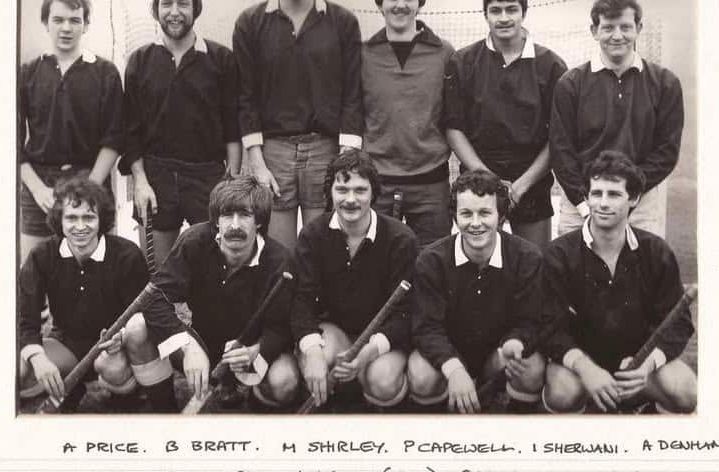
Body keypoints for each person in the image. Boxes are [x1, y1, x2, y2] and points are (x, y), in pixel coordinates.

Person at [118, 175, 298, 412]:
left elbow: (282, 327)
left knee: (284, 381)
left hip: (249, 353)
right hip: (200, 347)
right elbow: (154, 298)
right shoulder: (195, 241)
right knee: (136, 328)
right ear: (216, 220)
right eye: (227, 215)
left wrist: (257, 350)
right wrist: (187, 346)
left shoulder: (279, 261)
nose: (235, 225)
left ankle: (253, 407)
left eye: (245, 215)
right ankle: (165, 411)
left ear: (259, 221)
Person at [233, 0, 363, 252]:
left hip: (326, 150)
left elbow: (353, 93)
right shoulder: (250, 23)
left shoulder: (343, 22)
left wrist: (345, 157)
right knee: (280, 255)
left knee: (325, 251)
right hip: (273, 152)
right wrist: (257, 163)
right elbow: (245, 96)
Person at [542, 150, 696, 414]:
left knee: (686, 391)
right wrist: (586, 369)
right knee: (561, 394)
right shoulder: (558, 254)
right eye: (596, 194)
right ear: (587, 197)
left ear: (633, 198)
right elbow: (547, 325)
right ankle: (583, 417)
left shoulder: (656, 251)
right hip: (581, 369)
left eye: (614, 194)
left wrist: (647, 365)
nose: (603, 203)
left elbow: (679, 324)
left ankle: (644, 409)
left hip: (637, 368)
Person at [119, 0, 241, 267]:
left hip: (208, 176)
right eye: (167, 3)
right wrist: (141, 182)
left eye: (183, 3)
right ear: (156, 9)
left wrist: (230, 183)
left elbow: (232, 127)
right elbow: (130, 131)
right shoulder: (139, 61)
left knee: (214, 269)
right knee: (159, 276)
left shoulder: (221, 59)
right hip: (156, 177)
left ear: (195, 8)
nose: (174, 11)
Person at [408, 170, 547, 414]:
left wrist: (515, 341)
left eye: (484, 213)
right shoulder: (431, 259)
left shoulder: (527, 257)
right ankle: (436, 424)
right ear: (454, 217)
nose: (475, 223)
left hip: (498, 352)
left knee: (530, 368)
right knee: (421, 375)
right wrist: (453, 368)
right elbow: (426, 328)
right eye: (466, 214)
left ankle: (513, 421)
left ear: (501, 216)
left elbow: (531, 320)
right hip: (450, 353)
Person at [550, 0, 684, 237]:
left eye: (625, 27)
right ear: (594, 31)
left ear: (638, 28)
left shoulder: (666, 83)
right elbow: (561, 151)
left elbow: (667, 151)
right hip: (581, 202)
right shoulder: (570, 84)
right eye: (608, 27)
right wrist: (585, 205)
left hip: (639, 203)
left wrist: (627, 194)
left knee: (640, 262)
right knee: (573, 262)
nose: (617, 36)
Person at [445, 0, 567, 248]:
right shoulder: (463, 61)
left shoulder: (551, 65)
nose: (503, 18)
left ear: (524, 13)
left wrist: (521, 186)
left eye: (511, 9)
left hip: (532, 186)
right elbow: (453, 128)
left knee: (534, 263)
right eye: (495, 10)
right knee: (479, 263)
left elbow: (559, 138)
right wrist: (488, 179)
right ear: (485, 15)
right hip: (478, 184)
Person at [292, 150, 417, 410]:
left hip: (382, 337)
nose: (350, 199)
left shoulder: (401, 239)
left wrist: (369, 352)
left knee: (382, 381)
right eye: (342, 189)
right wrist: (312, 352)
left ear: (373, 193)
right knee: (319, 358)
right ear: (330, 192)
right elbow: (301, 301)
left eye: (360, 190)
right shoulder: (312, 235)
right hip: (335, 332)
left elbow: (407, 312)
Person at [18, 177, 149, 409]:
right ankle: (71, 389)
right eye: (71, 218)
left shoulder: (127, 255)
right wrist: (37, 358)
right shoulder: (42, 254)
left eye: (88, 217)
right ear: (60, 219)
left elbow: (142, 319)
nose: (80, 226)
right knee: (21, 366)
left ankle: (128, 393)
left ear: (102, 219)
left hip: (115, 346)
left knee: (113, 369)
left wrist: (119, 341)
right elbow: (26, 317)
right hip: (67, 343)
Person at [18, 0, 124, 264]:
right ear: (46, 22)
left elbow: (114, 138)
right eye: (58, 20)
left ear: (86, 25)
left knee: (95, 272)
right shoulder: (28, 73)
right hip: (40, 184)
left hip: (91, 178)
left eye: (75, 20)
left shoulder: (105, 73)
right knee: (33, 270)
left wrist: (88, 189)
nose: (66, 28)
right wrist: (37, 189)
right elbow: (11, 140)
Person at [361, 0, 455, 248]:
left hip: (431, 183)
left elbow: (453, 117)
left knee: (432, 262)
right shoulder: (363, 54)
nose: (400, 4)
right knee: (376, 261)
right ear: (380, 4)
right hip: (376, 181)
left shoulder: (444, 53)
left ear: (419, 3)